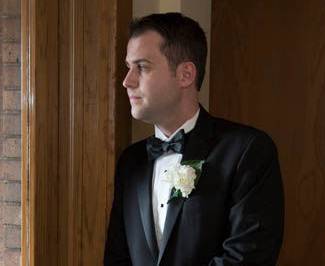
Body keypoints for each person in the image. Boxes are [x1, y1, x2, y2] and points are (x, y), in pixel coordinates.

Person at [104, 12, 284, 266]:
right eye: (128, 67)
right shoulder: (130, 161)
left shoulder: (248, 150)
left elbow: (247, 258)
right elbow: (117, 257)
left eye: (142, 67)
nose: (126, 81)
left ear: (186, 74)